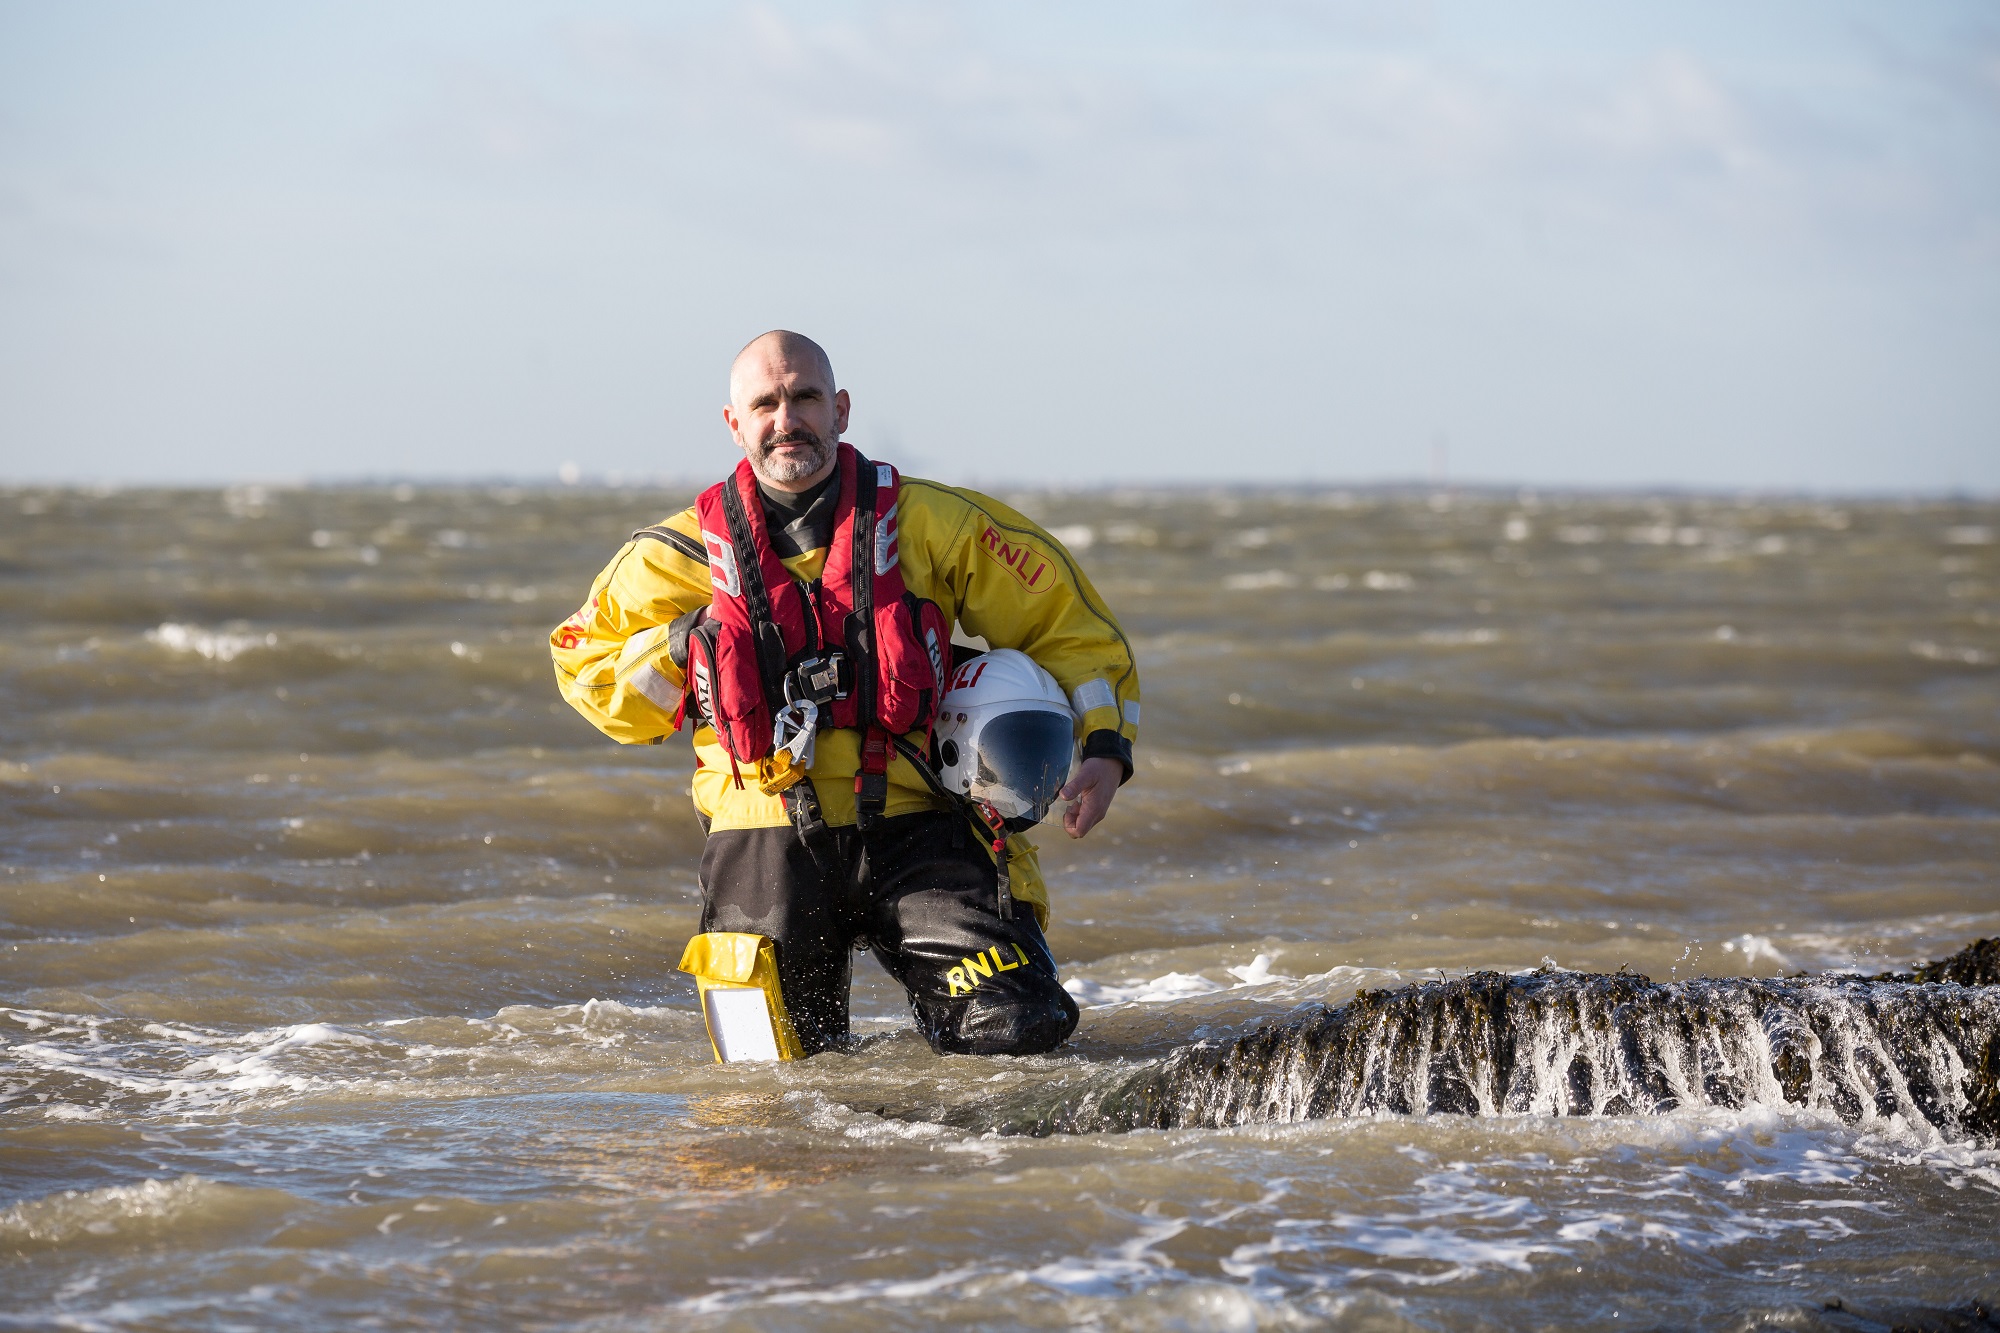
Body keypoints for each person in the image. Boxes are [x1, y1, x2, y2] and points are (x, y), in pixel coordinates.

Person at [551, 330, 1140, 1057]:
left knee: (1020, 1033)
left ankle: (963, 1164)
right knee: (769, 1093)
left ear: (842, 410)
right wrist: (678, 647)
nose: (786, 418)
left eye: (805, 397)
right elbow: (583, 666)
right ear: (735, 424)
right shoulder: (673, 555)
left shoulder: (936, 524)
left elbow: (1070, 625)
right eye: (765, 402)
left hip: (919, 816)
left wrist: (1107, 747)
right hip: (762, 833)